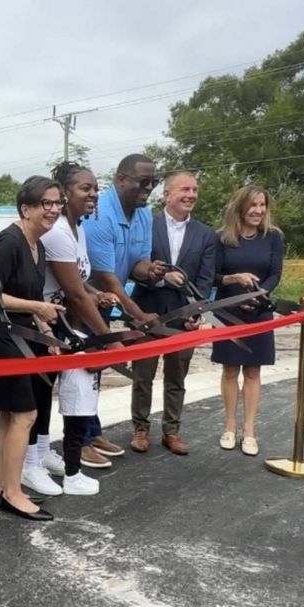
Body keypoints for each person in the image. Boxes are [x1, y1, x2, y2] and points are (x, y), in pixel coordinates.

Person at [0, 176, 62, 520]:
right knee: (25, 413)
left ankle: (0, 486)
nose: (53, 210)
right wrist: (37, 309)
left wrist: (43, 328)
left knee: (11, 412)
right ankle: (13, 491)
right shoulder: (9, 241)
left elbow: (28, 299)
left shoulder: (39, 246)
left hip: (17, 335)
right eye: (45, 204)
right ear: (26, 208)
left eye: (57, 203)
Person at [37, 162, 121, 496]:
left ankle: (43, 453)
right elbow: (71, 292)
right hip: (45, 323)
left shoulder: (77, 228)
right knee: (42, 398)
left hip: (63, 322)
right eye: (85, 188)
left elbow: (79, 283)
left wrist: (97, 293)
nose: (93, 194)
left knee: (59, 396)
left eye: (95, 188)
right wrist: (107, 338)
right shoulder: (57, 231)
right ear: (65, 191)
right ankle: (33, 461)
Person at [82, 153, 161, 469]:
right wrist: (139, 315)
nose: (149, 187)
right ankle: (80, 441)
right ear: (121, 179)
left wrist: (153, 271)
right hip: (83, 305)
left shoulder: (143, 215)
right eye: (144, 181)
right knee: (83, 374)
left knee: (95, 374)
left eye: (153, 182)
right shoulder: (100, 216)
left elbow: (136, 266)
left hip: (106, 303)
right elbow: (108, 278)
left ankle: (92, 430)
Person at [130, 171, 216, 456]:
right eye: (185, 189)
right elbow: (134, 265)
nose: (191, 195)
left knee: (177, 377)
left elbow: (205, 279)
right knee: (143, 375)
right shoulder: (145, 225)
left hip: (184, 317)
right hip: (147, 311)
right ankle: (140, 429)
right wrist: (160, 278)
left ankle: (172, 430)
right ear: (167, 194)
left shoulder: (205, 234)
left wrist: (197, 311)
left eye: (195, 190)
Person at [212, 185, 285, 456]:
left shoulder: (273, 237)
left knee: (253, 372)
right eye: (253, 205)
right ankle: (229, 427)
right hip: (227, 312)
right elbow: (212, 276)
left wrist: (259, 294)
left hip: (259, 311)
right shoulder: (221, 238)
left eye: (262, 205)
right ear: (241, 207)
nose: (258, 210)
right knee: (230, 370)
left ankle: (250, 431)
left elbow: (276, 273)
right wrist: (234, 278)